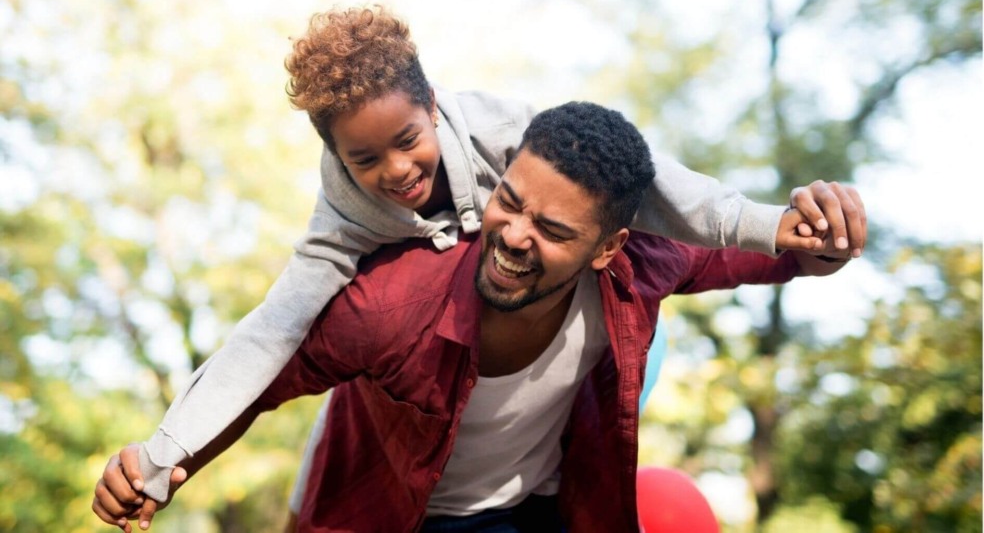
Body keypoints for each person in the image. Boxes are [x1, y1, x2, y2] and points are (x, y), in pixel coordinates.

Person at [92, 101, 864, 532]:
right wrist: (160, 466)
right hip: (398, 514)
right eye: (509, 201)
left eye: (555, 231)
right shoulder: (393, 302)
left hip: (534, 510)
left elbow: (772, 253)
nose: (514, 236)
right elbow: (260, 374)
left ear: (609, 248)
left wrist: (827, 234)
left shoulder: (646, 265)